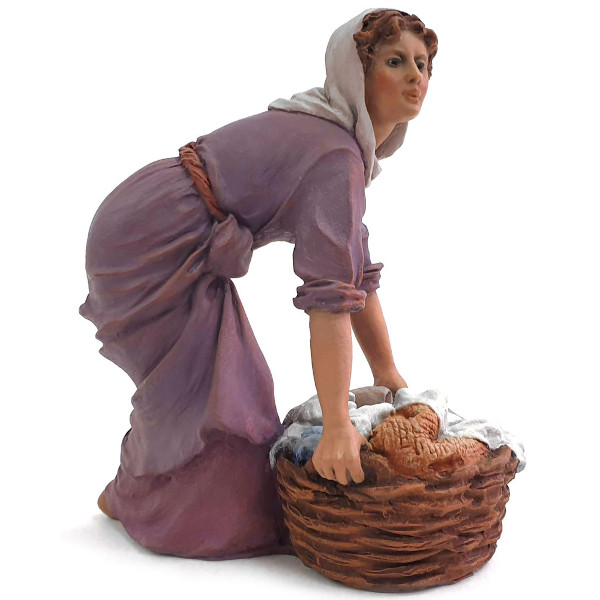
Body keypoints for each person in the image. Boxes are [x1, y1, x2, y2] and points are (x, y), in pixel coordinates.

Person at [80, 8, 438, 560]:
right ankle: (157, 508)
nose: (416, 75)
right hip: (152, 238)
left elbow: (356, 275)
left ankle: (132, 494)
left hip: (150, 219)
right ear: (356, 74)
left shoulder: (336, 145)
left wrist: (388, 376)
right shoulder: (334, 155)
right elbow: (329, 302)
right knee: (222, 398)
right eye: (395, 62)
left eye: (423, 63)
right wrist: (337, 427)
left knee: (199, 389)